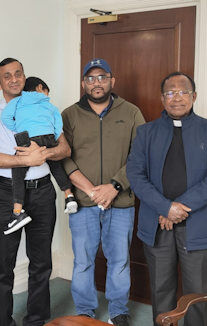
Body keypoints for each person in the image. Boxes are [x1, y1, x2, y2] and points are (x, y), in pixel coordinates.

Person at [127, 72, 207, 326]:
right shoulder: (146, 132)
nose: (177, 98)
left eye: (183, 92)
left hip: (198, 225)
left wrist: (177, 208)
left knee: (198, 293)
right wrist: (165, 207)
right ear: (162, 98)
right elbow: (135, 174)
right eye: (170, 93)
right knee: (161, 289)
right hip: (157, 224)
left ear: (194, 96)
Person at [0, 58, 71, 326]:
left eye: (18, 74)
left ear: (24, 76)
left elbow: (65, 149)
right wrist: (27, 160)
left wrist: (45, 153)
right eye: (7, 76)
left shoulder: (43, 106)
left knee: (42, 263)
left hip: (42, 193)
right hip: (7, 195)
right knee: (4, 266)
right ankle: (3, 322)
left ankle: (36, 321)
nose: (14, 79)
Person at [61, 58, 145, 325]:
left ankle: (119, 310)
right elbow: (63, 157)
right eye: (91, 78)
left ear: (112, 81)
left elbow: (140, 155)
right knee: (83, 260)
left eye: (102, 77)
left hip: (121, 201)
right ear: (84, 83)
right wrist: (91, 190)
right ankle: (85, 309)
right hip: (83, 203)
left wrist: (114, 186)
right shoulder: (69, 115)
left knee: (119, 259)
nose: (96, 83)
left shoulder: (131, 112)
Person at [0, 76, 77, 235]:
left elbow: (5, 117)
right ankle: (69, 197)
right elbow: (58, 124)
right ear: (41, 88)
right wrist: (52, 137)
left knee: (18, 170)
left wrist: (19, 127)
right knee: (56, 166)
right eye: (47, 92)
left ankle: (18, 212)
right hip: (48, 137)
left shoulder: (18, 101)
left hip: (28, 138)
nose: (48, 95)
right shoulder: (49, 104)